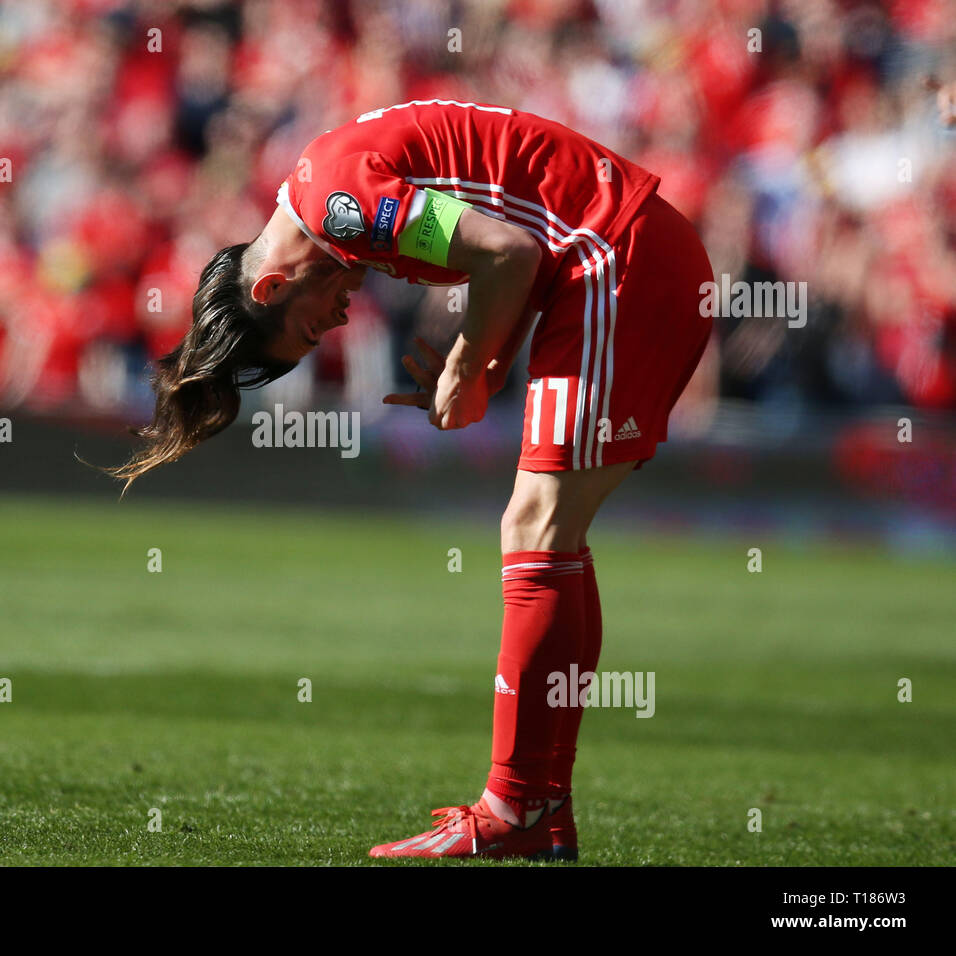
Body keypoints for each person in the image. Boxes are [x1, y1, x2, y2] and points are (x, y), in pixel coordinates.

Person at [109, 99, 714, 859]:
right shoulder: (329, 193)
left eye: (309, 326)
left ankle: (512, 811)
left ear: (268, 287)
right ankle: (541, 811)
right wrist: (490, 358)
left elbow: (512, 251)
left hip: (619, 259)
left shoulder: (343, 210)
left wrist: (466, 363)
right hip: (618, 256)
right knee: (551, 534)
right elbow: (525, 236)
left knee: (536, 529)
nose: (334, 323)